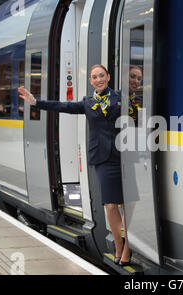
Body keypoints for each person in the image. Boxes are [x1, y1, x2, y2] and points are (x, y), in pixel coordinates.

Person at [18, 65, 132, 266]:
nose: (99, 80)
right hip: (103, 159)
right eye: (94, 77)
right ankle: (118, 244)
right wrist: (36, 102)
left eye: (101, 76)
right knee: (111, 205)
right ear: (90, 81)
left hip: (123, 155)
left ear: (108, 77)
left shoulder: (121, 97)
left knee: (128, 205)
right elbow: (63, 106)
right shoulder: (87, 103)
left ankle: (129, 246)